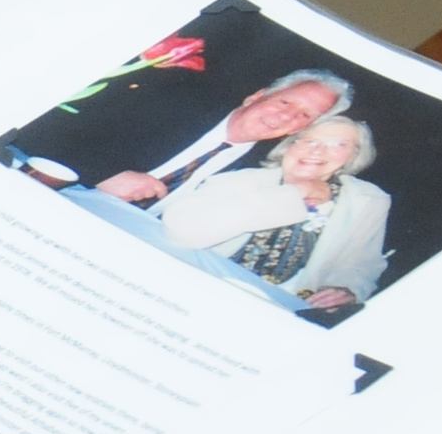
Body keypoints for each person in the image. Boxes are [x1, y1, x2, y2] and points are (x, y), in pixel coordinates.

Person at [17, 69, 357, 206]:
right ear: (257, 96)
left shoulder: (260, 170)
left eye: (303, 116)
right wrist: (105, 175)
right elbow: (52, 129)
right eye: (286, 102)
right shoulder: (174, 101)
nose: (286, 116)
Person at [158, 115, 392, 312]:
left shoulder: (367, 200)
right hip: (198, 289)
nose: (317, 150)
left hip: (283, 308)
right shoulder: (235, 181)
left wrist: (347, 289)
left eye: (338, 144)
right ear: (290, 145)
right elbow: (183, 232)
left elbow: (362, 262)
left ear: (353, 156)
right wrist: (297, 193)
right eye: (308, 140)